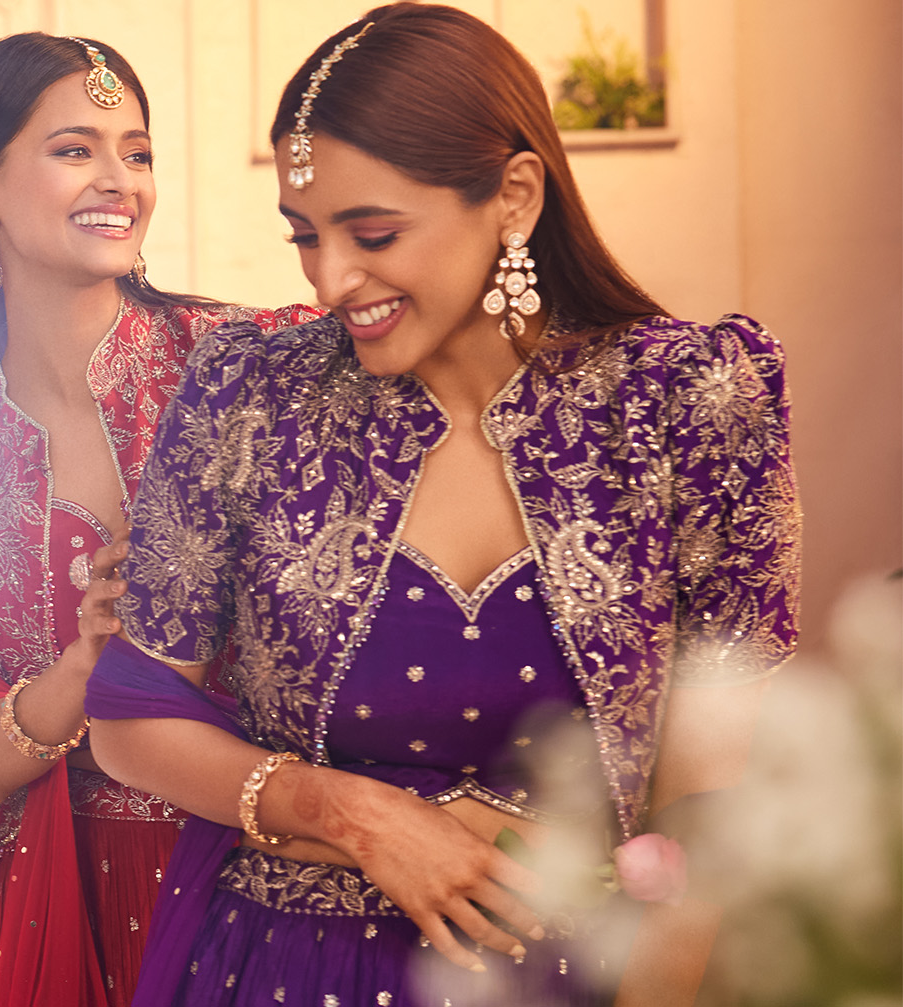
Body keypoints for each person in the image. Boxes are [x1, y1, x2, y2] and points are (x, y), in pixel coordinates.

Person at [81, 5, 799, 1005]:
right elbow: (130, 711)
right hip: (291, 967)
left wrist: (665, 972)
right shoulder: (249, 394)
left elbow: (721, 777)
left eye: (372, 232)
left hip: (582, 973)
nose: (330, 279)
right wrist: (351, 812)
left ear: (512, 196)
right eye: (304, 235)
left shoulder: (688, 401)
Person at [0, 33, 323, 1006]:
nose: (119, 179)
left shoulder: (246, 365)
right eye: (76, 148)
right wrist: (84, 661)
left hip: (268, 860)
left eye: (137, 150)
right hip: (70, 897)